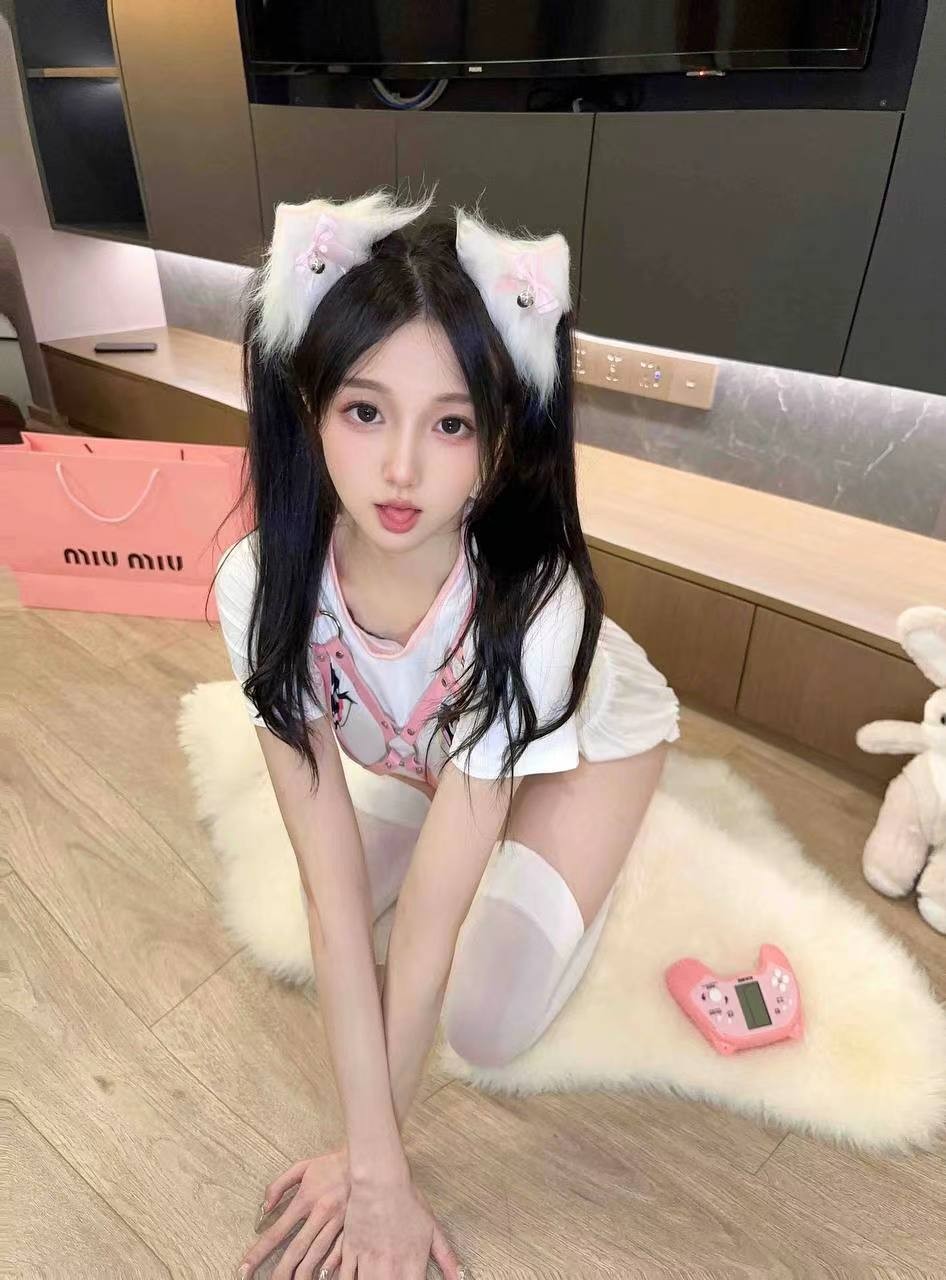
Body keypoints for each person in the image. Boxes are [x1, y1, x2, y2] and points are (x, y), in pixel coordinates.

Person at [215, 188, 681, 1280]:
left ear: (501, 432)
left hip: (598, 731)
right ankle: (479, 791)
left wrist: (373, 1168)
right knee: (334, 905)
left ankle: (584, 828)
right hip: (441, 749)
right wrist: (371, 1157)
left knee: (486, 1022)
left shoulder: (539, 609)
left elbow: (429, 921)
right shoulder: (259, 587)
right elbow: (330, 899)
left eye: (451, 423)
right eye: (364, 411)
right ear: (307, 402)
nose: (400, 471)